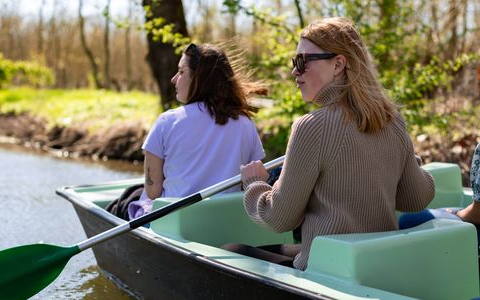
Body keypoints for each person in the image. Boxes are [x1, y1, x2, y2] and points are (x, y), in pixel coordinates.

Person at [227, 17, 436, 271]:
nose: (295, 71)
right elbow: (417, 197)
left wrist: (255, 184)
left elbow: (279, 218)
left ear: (338, 64)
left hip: (328, 273)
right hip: (377, 267)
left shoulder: (310, 127)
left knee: (231, 252)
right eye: (295, 62)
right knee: (272, 251)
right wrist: (405, 158)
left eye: (303, 61)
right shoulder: (393, 122)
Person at [126, 43, 267, 220]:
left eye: (182, 72)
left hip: (175, 224)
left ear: (200, 79)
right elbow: (255, 182)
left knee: (128, 199)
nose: (174, 79)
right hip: (223, 220)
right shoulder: (246, 124)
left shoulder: (167, 122)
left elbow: (153, 192)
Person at [399, 143, 480, 232]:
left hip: (476, 214)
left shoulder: (396, 132)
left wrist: (458, 214)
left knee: (408, 220)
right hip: (474, 210)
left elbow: (477, 214)